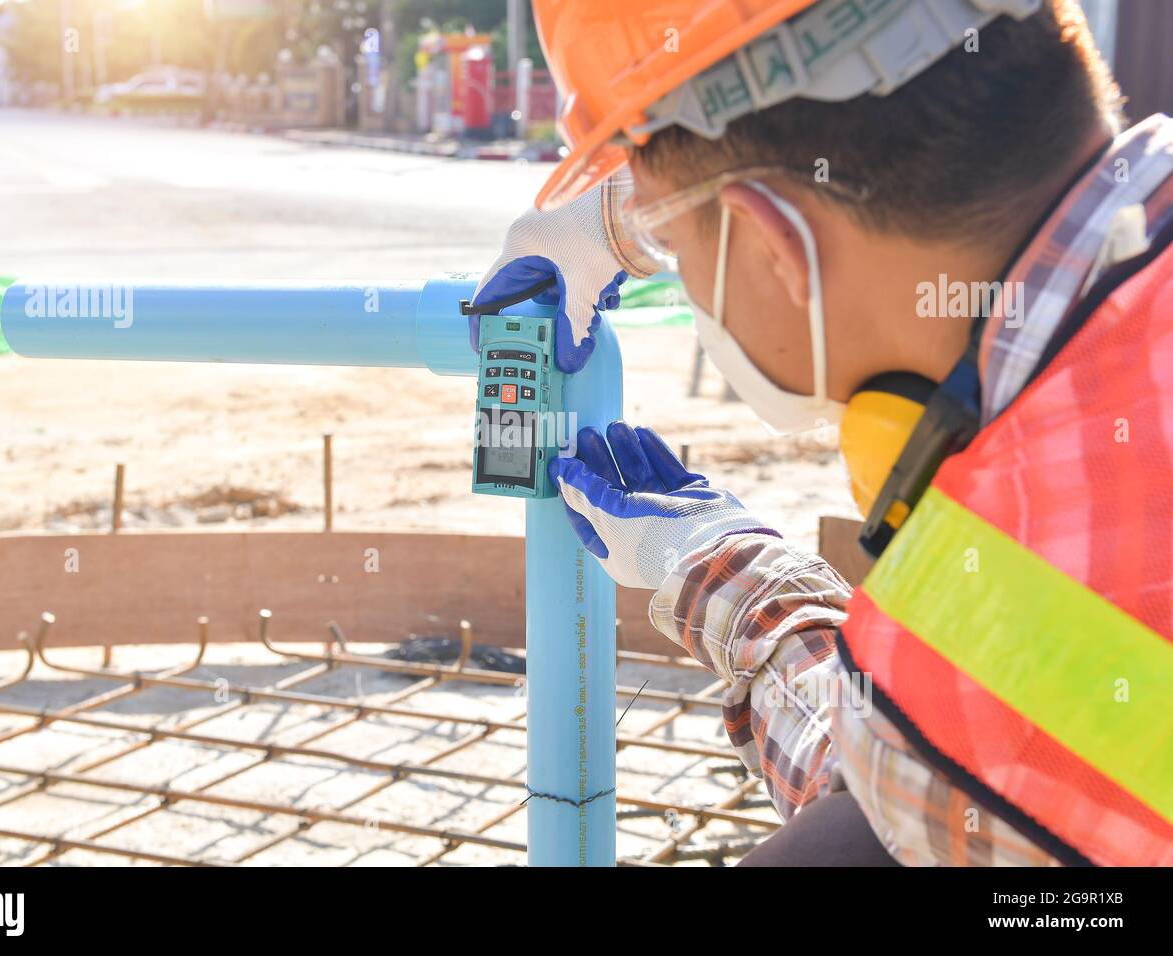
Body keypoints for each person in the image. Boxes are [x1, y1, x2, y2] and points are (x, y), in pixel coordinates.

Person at [470, 0, 1173, 866]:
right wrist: (637, 209)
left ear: (777, 247)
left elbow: (892, 804)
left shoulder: (989, 654)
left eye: (675, 244)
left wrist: (720, 572)